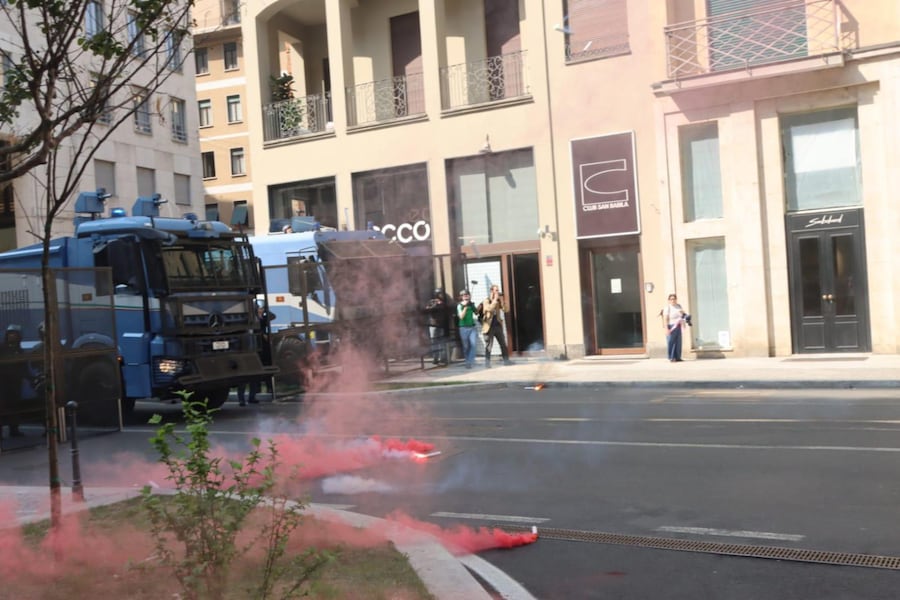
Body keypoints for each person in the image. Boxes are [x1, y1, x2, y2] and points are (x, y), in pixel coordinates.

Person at [0, 324, 28, 437]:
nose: (12, 336)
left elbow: (24, 366)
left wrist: (30, 378)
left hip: (15, 382)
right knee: (1, 406)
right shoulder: (1, 348)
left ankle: (14, 429)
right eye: (10, 334)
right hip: (2, 382)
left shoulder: (19, 350)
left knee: (14, 406)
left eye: (14, 334)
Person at [477, 284, 512, 367]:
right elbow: (488, 309)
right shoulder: (486, 300)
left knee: (503, 344)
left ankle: (506, 361)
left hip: (498, 326)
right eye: (496, 290)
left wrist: (502, 301)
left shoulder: (498, 301)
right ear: (491, 291)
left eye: (498, 290)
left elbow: (506, 310)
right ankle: (487, 363)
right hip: (489, 327)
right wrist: (495, 300)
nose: (497, 292)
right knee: (489, 346)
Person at [424, 288, 450, 365]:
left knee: (442, 342)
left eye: (442, 294)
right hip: (433, 324)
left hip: (441, 325)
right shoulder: (431, 302)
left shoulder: (444, 302)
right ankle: (435, 358)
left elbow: (447, 311)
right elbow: (427, 310)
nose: (441, 295)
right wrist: (435, 304)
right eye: (440, 294)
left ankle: (443, 358)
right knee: (434, 342)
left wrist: (441, 304)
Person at [660, 293, 688, 362]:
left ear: (676, 299)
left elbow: (682, 315)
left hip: (678, 326)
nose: (673, 300)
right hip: (671, 326)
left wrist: (683, 314)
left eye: (674, 299)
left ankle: (678, 357)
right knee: (671, 342)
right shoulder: (667, 308)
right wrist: (666, 329)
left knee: (678, 342)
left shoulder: (678, 306)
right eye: (671, 299)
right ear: (669, 300)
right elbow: (665, 319)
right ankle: (671, 357)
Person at [456, 289, 478, 369]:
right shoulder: (459, 306)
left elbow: (476, 312)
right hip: (463, 328)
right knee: (466, 346)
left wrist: (475, 306)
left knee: (473, 344)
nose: (465, 296)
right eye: (464, 295)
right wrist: (465, 307)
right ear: (461, 297)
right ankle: (467, 361)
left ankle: (469, 362)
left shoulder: (471, 304)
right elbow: (461, 317)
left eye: (467, 295)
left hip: (472, 327)